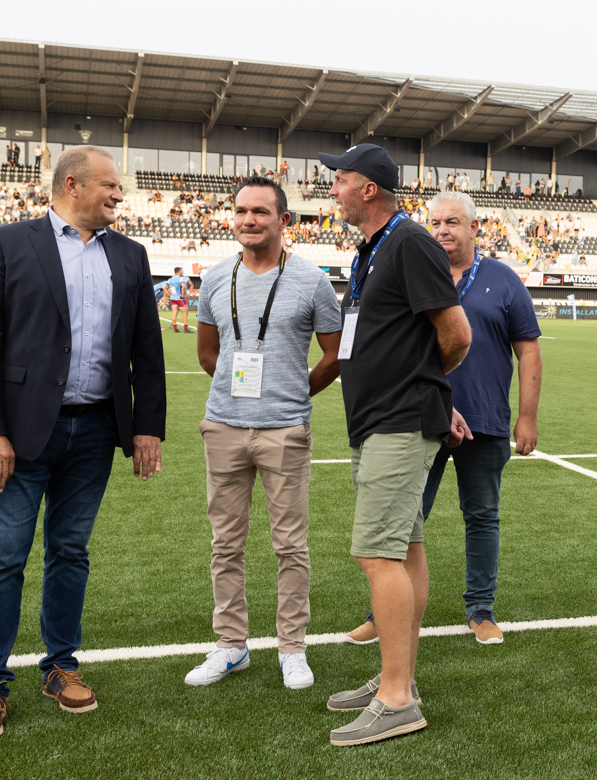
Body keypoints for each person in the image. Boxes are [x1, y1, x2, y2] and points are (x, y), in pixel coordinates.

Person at [0, 145, 166, 740]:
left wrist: (146, 425)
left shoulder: (130, 254)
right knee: (3, 557)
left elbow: (147, 352)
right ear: (73, 184)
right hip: (19, 435)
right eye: (110, 186)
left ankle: (60, 665)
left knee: (70, 552)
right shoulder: (5, 244)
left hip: (96, 429)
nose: (119, 195)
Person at [319, 143, 471, 747]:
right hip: (382, 419)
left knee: (376, 555)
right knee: (404, 548)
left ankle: (397, 698)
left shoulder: (409, 242)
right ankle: (397, 675)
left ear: (370, 190)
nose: (332, 189)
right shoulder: (374, 248)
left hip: (399, 420)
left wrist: (423, 387)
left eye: (340, 180)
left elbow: (454, 336)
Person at [344, 191, 542, 648]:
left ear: (475, 228)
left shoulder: (504, 280)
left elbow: (528, 351)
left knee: (482, 516)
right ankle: (386, 612)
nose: (441, 231)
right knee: (406, 518)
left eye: (452, 222)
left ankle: (481, 609)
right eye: (434, 223)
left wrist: (526, 418)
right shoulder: (413, 266)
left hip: (486, 418)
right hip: (419, 417)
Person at [184, 176, 342, 691]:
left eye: (260, 212)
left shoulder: (313, 281)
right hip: (224, 425)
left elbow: (334, 356)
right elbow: (209, 355)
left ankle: (292, 649)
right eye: (241, 211)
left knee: (289, 546)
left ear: (284, 221)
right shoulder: (214, 278)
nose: (248, 220)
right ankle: (231, 646)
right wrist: (239, 392)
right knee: (224, 544)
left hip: (285, 430)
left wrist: (293, 395)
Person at [167, 266, 192, 333]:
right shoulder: (181, 278)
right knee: (184, 313)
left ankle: (175, 328)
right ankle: (186, 328)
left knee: (174, 312)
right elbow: (183, 286)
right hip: (180, 298)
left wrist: (170, 295)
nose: (183, 271)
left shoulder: (170, 279)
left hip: (173, 298)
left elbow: (165, 287)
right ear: (180, 271)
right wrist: (183, 295)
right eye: (182, 270)